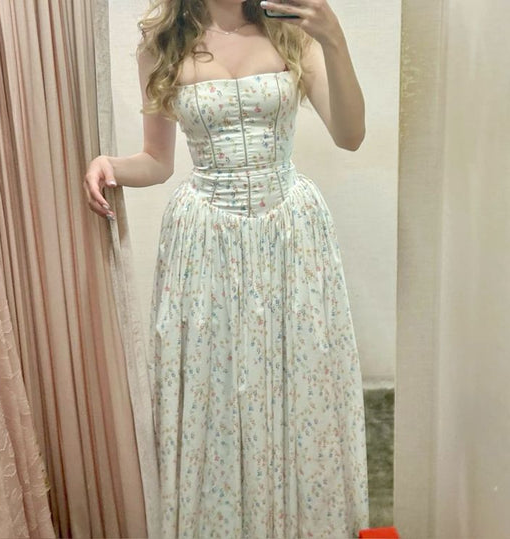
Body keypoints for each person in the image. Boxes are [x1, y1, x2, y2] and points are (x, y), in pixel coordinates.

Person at [84, 0, 369, 537]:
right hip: (205, 242)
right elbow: (158, 161)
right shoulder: (162, 45)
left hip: (290, 237)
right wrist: (110, 165)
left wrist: (334, 39)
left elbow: (350, 134)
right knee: (214, 395)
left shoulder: (293, 34)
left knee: (301, 385)